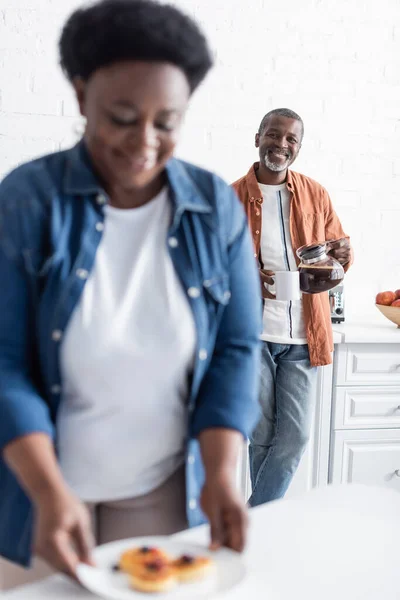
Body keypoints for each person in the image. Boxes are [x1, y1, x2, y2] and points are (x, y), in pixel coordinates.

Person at [0, 0, 262, 576]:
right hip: (38, 486)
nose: (144, 140)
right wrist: (47, 491)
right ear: (80, 96)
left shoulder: (214, 207)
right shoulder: (25, 201)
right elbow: (6, 361)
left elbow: (237, 347)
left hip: (163, 486)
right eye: (121, 116)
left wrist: (221, 471)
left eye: (166, 121)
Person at [233, 108, 352, 507]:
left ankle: (254, 519)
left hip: (304, 334)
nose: (280, 144)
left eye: (290, 139)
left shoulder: (316, 194)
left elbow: (337, 260)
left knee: (296, 435)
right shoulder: (231, 197)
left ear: (298, 148)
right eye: (273, 134)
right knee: (261, 434)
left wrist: (343, 255)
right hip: (253, 335)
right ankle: (264, 529)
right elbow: (211, 269)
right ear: (257, 137)